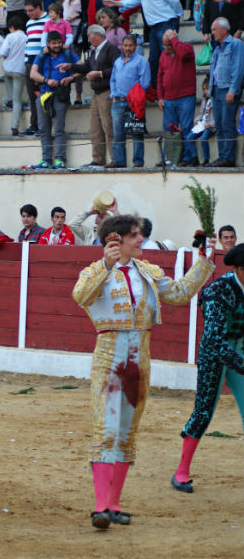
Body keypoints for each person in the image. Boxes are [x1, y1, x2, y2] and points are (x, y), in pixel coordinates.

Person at [72, 214, 216, 529]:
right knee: (106, 430)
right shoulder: (96, 272)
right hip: (109, 357)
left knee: (127, 432)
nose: (141, 239)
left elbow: (178, 293)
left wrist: (204, 261)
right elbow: (80, 296)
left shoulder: (147, 272)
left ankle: (113, 504)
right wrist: (106, 266)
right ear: (116, 240)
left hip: (140, 358)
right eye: (135, 235)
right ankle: (99, 508)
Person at [171, 244, 244, 494]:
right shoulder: (217, 290)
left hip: (241, 348)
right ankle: (181, 471)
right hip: (215, 354)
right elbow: (214, 340)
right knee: (203, 411)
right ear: (238, 269)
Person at [104, 0, 182, 89]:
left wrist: (176, 17)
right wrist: (117, 3)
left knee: (169, 57)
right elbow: (136, 0)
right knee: (154, 60)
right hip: (153, 27)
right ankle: (158, 91)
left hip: (165, 24)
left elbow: (174, 0)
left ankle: (173, 87)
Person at [59, 24, 120, 169]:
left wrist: (100, 74)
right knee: (95, 129)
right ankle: (98, 159)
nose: (88, 39)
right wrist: (71, 66)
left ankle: (115, 158)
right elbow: (86, 67)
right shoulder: (94, 52)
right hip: (97, 93)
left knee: (108, 127)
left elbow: (117, 69)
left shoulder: (111, 49)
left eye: (89, 35)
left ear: (98, 35)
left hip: (107, 92)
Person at [30, 30, 80, 169]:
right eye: (54, 43)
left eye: (59, 42)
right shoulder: (42, 55)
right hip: (44, 94)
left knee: (59, 129)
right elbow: (32, 73)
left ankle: (60, 159)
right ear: (48, 44)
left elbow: (82, 68)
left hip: (60, 94)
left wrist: (71, 78)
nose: (57, 45)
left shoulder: (68, 54)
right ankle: (46, 160)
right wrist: (46, 80)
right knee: (44, 129)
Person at [157, 28, 198, 168]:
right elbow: (160, 77)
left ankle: (188, 158)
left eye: (169, 45)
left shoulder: (187, 48)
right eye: (165, 45)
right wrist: (160, 97)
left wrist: (174, 40)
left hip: (186, 97)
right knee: (169, 130)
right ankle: (170, 158)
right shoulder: (163, 55)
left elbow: (184, 53)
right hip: (168, 98)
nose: (167, 48)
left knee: (186, 129)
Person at [109, 34, 150, 168]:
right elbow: (113, 79)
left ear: (136, 46)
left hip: (134, 103)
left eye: (130, 45)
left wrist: (136, 97)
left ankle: (138, 162)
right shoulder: (117, 61)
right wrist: (114, 95)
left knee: (137, 133)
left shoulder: (141, 61)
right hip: (118, 101)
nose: (127, 48)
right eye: (125, 45)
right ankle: (119, 161)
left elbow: (144, 83)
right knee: (118, 134)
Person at [208, 17, 244, 167]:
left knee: (227, 123)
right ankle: (222, 155)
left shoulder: (236, 44)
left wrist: (233, 90)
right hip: (216, 90)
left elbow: (238, 68)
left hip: (227, 89)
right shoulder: (217, 48)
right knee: (220, 125)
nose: (212, 33)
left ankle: (228, 157)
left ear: (224, 29)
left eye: (214, 29)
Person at [0, 16, 27, 136]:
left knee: (8, 82)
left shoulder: (9, 36)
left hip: (8, 68)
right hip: (20, 70)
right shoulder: (26, 37)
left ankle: (9, 98)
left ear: (11, 27)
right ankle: (14, 127)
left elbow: (3, 51)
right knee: (17, 100)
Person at [23, 0, 49, 136]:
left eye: (31, 10)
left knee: (43, 95)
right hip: (29, 63)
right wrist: (25, 62)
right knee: (32, 96)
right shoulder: (28, 23)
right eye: (27, 11)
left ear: (38, 7)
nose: (29, 13)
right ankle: (34, 124)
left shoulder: (48, 20)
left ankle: (44, 124)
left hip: (42, 63)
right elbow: (28, 43)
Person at [58, 0, 83, 104]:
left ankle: (79, 95)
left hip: (77, 29)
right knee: (66, 62)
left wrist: (75, 16)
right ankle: (67, 95)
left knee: (76, 62)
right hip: (65, 30)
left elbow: (84, 9)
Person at [192, 75, 215, 166]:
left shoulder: (215, 101)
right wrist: (197, 120)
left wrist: (210, 125)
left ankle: (206, 159)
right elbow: (201, 113)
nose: (206, 91)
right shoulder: (204, 100)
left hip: (210, 126)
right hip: (202, 124)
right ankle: (195, 158)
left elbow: (217, 117)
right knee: (189, 137)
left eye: (208, 89)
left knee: (203, 138)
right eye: (204, 89)